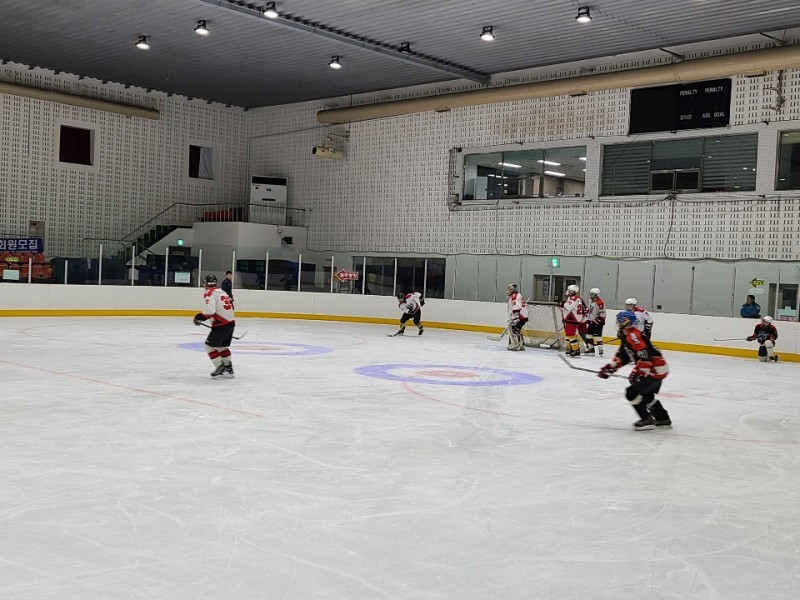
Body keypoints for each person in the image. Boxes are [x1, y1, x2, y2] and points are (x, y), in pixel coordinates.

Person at [598, 310, 672, 431]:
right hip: (659, 369)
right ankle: (662, 418)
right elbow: (624, 356)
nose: (617, 323)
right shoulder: (628, 336)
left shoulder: (633, 336)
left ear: (626, 322)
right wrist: (610, 368)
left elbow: (645, 356)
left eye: (619, 321)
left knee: (631, 393)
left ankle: (646, 419)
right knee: (646, 394)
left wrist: (640, 373)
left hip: (654, 369)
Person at [193, 274, 236, 377]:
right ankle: (228, 366)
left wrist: (200, 317)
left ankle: (220, 366)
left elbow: (210, 311)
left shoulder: (210, 293)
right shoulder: (222, 292)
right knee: (222, 347)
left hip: (221, 324)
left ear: (206, 283)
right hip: (231, 323)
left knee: (209, 347)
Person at [562, 284, 586, 357]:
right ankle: (572, 349)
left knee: (570, 335)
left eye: (569, 290)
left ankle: (576, 350)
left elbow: (569, 307)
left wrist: (563, 303)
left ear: (572, 291)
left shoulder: (574, 298)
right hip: (571, 318)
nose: (567, 291)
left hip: (572, 319)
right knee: (566, 334)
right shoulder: (573, 298)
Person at [506, 283, 529, 351]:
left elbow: (517, 307)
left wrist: (515, 317)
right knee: (517, 329)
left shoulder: (515, 296)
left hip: (520, 316)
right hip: (522, 316)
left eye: (510, 289)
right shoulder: (516, 295)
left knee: (513, 329)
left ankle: (515, 344)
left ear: (513, 290)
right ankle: (521, 345)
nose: (508, 291)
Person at [585, 287, 606, 356]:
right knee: (588, 335)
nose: (590, 295)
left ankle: (601, 350)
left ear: (596, 294)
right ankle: (591, 350)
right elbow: (591, 311)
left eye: (592, 294)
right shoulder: (591, 301)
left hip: (599, 322)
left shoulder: (600, 302)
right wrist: (588, 319)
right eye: (590, 294)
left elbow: (603, 315)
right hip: (592, 321)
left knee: (597, 336)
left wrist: (595, 321)